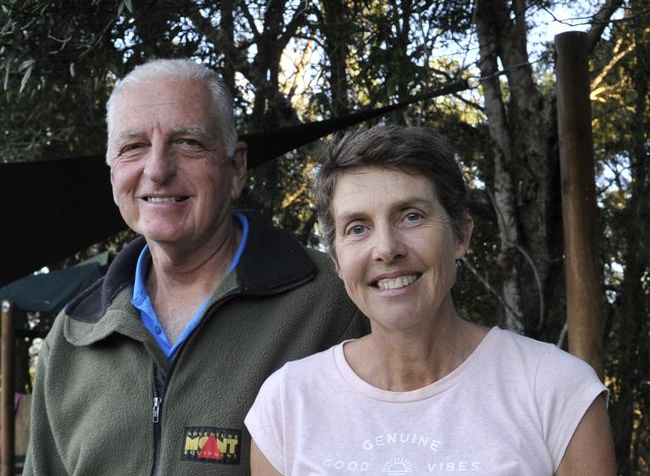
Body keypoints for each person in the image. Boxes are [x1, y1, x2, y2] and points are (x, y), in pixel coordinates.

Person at [24, 59, 367, 476]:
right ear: (113, 174)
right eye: (133, 147)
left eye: (187, 143)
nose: (157, 170)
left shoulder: (333, 303)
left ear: (236, 166)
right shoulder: (74, 335)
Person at [245, 124, 617, 475]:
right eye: (357, 228)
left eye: (411, 216)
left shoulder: (556, 390)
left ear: (461, 235)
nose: (386, 249)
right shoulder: (287, 403)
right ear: (338, 261)